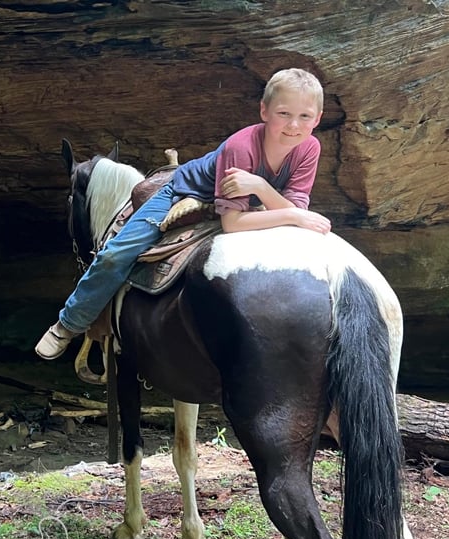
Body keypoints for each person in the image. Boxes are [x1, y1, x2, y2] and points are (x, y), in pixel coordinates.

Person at [35, 68, 332, 360]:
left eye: (304, 116)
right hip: (186, 192)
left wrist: (261, 187)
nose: (294, 125)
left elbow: (294, 208)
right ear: (264, 111)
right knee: (117, 253)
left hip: (250, 199)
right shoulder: (241, 148)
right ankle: (69, 322)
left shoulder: (309, 148)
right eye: (284, 113)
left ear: (317, 119)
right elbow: (233, 223)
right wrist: (290, 212)